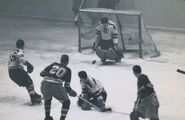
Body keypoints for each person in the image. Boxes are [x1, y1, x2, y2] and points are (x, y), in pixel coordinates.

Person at [40, 54, 77, 120]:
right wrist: (71, 92)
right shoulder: (68, 70)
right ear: (67, 61)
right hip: (55, 85)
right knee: (66, 102)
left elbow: (41, 73)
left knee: (47, 99)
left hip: (44, 83)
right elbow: (67, 87)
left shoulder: (54, 64)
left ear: (60, 60)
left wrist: (50, 75)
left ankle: (47, 117)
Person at [8, 39, 42, 105]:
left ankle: (34, 95)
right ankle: (33, 99)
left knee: (27, 83)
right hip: (17, 70)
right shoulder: (20, 51)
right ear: (23, 45)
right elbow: (20, 58)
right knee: (30, 82)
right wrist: (29, 64)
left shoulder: (12, 52)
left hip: (10, 72)